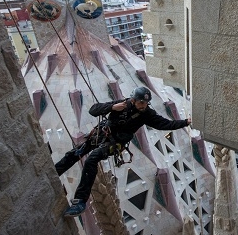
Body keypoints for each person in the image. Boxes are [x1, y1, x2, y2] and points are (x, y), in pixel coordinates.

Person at [55, 86, 191, 217]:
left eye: (146, 103)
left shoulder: (146, 114)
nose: (144, 105)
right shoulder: (122, 104)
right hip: (102, 134)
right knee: (75, 153)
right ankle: (56, 171)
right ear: (133, 100)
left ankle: (80, 201)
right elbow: (93, 110)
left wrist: (185, 122)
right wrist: (111, 107)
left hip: (114, 143)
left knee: (92, 159)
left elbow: (165, 124)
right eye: (141, 102)